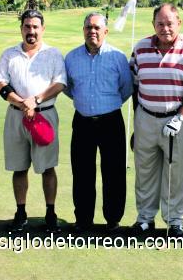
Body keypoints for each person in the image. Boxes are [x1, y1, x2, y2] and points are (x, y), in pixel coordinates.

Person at [130, 4, 183, 237]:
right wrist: (137, 123)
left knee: (177, 172)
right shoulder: (141, 48)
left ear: (179, 23)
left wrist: (180, 117)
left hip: (177, 119)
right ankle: (145, 219)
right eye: (160, 24)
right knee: (144, 171)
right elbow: (135, 86)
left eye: (170, 23)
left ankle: (175, 220)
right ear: (153, 25)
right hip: (146, 117)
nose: (165, 28)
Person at [0, 9, 66, 233]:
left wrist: (35, 100)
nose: (31, 31)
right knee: (19, 167)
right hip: (16, 116)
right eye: (27, 26)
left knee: (48, 168)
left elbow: (59, 84)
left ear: (42, 29)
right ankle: (21, 212)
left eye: (35, 27)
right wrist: (22, 103)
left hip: (45, 115)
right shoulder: (9, 54)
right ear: (21, 28)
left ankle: (50, 212)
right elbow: (0, 84)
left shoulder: (53, 53)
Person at [64, 12, 133, 232]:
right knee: (82, 172)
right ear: (83, 30)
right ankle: (83, 219)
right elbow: (68, 87)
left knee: (114, 172)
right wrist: (85, 101)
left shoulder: (118, 57)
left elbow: (126, 88)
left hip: (111, 120)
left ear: (105, 31)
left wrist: (108, 104)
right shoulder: (72, 57)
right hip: (82, 121)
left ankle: (113, 219)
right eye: (88, 27)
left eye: (96, 28)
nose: (92, 31)